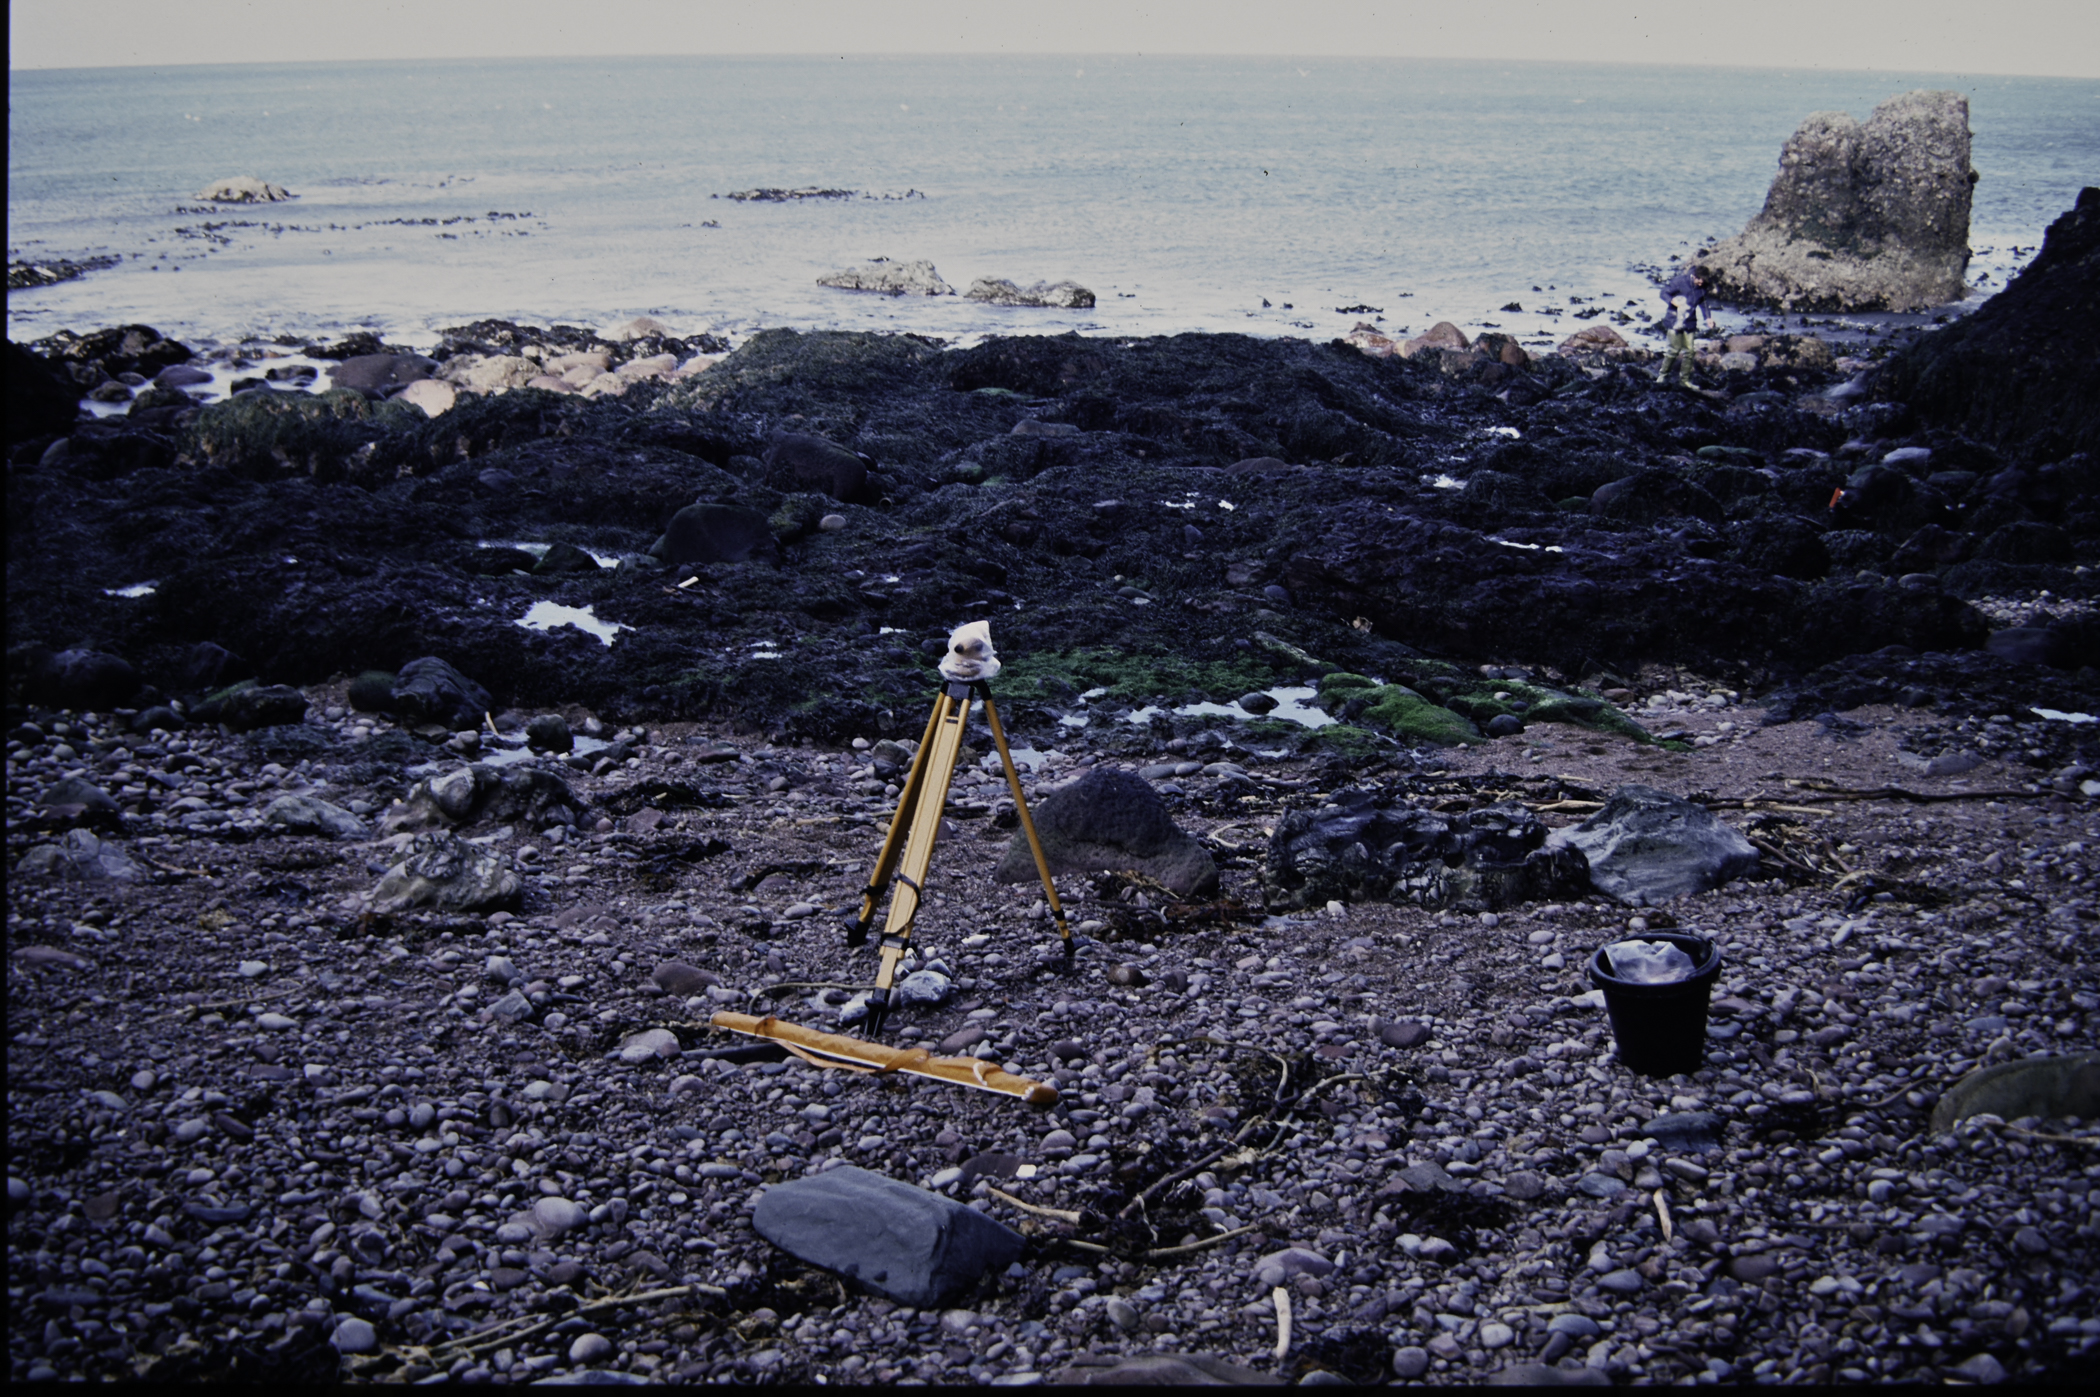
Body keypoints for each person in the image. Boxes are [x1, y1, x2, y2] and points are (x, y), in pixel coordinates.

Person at [1654, 266, 1717, 386]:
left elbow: (1703, 302)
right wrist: (1672, 301)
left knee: (1689, 351)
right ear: (1694, 276)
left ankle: (1684, 380)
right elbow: (1663, 292)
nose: (1701, 283)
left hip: (1690, 322)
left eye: (1703, 281)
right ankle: (1662, 376)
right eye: (1699, 280)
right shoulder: (1679, 281)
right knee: (1674, 350)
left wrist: (1708, 318)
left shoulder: (1702, 286)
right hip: (1674, 320)